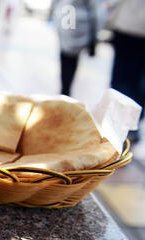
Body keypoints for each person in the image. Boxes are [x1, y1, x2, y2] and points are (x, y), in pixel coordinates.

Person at [107, 0, 145, 142]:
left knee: (121, 80)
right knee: (139, 83)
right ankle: (131, 126)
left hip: (127, 25)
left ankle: (118, 125)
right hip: (129, 26)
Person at [52, 0, 99, 96]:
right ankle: (66, 89)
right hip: (78, 24)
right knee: (71, 59)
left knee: (66, 58)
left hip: (66, 20)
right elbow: (94, 10)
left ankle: (65, 88)